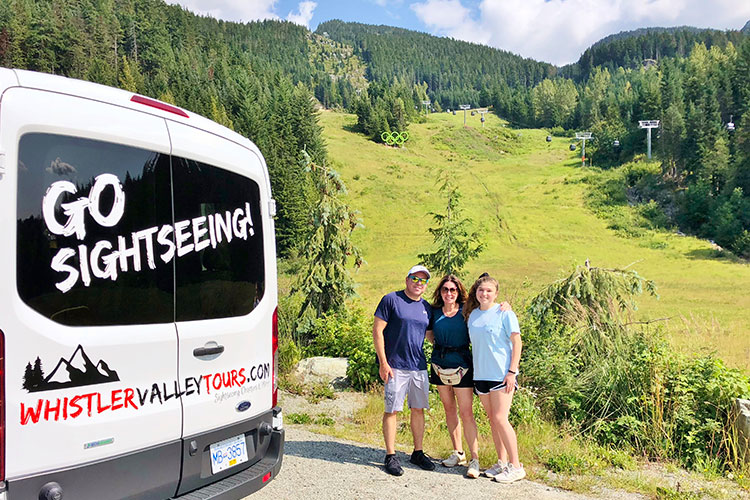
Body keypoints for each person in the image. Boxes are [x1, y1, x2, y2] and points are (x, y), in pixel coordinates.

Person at [373, 265, 436, 476]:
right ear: (406, 279)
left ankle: (417, 453)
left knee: (418, 409)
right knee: (392, 410)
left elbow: (430, 336)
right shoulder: (391, 300)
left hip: (418, 367)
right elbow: (377, 331)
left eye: (423, 281)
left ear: (426, 285)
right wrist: (383, 362)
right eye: (415, 279)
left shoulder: (426, 307)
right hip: (394, 366)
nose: (419, 283)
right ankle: (390, 455)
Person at [464, 273, 526, 483]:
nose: (485, 294)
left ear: (496, 293)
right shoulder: (472, 315)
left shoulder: (505, 314)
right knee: (493, 421)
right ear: (476, 293)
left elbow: (517, 343)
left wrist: (512, 372)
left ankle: (516, 466)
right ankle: (501, 462)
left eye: (489, 291)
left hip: (501, 374)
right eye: (481, 290)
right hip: (481, 375)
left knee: (501, 419)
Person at [425, 274, 481, 478]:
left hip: (463, 364)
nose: (449, 293)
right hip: (440, 364)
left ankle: (474, 459)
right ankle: (458, 452)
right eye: (445, 289)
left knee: (466, 413)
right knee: (449, 408)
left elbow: (488, 304)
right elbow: (429, 334)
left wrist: (506, 306)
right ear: (440, 292)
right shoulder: (434, 312)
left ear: (459, 292)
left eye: (453, 290)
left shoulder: (467, 310)